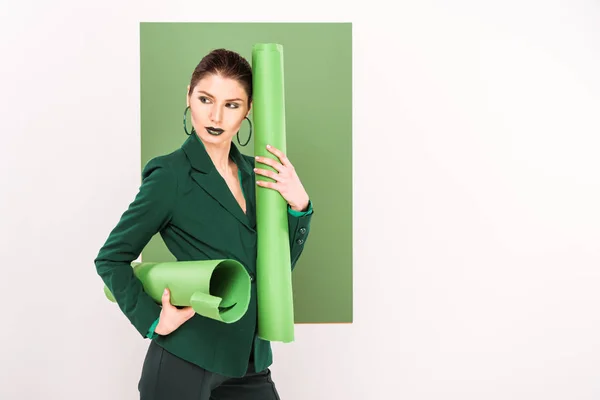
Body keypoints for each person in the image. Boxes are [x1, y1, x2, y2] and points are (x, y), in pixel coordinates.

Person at [95, 48, 314, 399]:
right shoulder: (170, 175)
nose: (215, 115)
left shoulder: (256, 176)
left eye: (231, 104)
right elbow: (110, 258)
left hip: (249, 362)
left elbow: (277, 270)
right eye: (205, 99)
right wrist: (152, 320)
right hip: (187, 357)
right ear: (189, 96)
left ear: (248, 110)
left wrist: (299, 206)